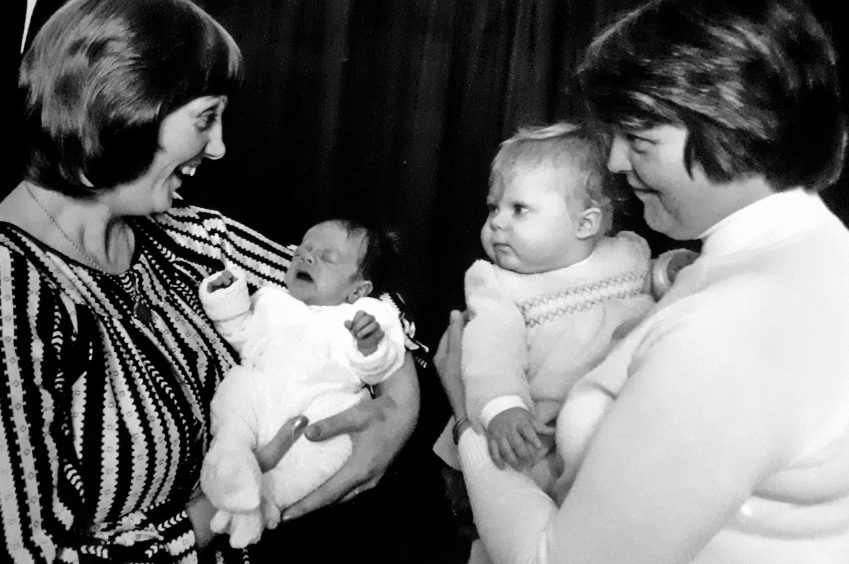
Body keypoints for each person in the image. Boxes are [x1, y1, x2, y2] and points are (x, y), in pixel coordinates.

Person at [0, 1, 419, 562]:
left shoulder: (196, 238)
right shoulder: (13, 294)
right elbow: (34, 553)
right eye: (205, 118)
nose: (219, 147)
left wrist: (394, 419)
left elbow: (365, 298)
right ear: (126, 105)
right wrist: (210, 516)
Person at [435, 0, 849, 562]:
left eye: (640, 138)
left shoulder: (734, 328)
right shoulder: (812, 254)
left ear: (730, 127)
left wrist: (468, 420)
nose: (615, 163)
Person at [432, 123, 654, 495]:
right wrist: (502, 408)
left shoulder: (629, 253)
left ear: (586, 223)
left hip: (616, 429)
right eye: (493, 208)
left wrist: (674, 269)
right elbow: (490, 351)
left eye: (519, 209)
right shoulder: (497, 285)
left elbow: (661, 285)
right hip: (532, 434)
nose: (497, 221)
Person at [198, 219, 406, 548]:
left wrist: (370, 345)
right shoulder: (271, 300)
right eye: (303, 250)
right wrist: (227, 295)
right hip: (260, 394)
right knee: (236, 394)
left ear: (358, 290)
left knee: (335, 448)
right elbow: (241, 332)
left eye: (326, 257)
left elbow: (383, 365)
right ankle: (231, 459)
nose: (306, 258)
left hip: (319, 408)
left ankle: (269, 498)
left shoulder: (366, 315)